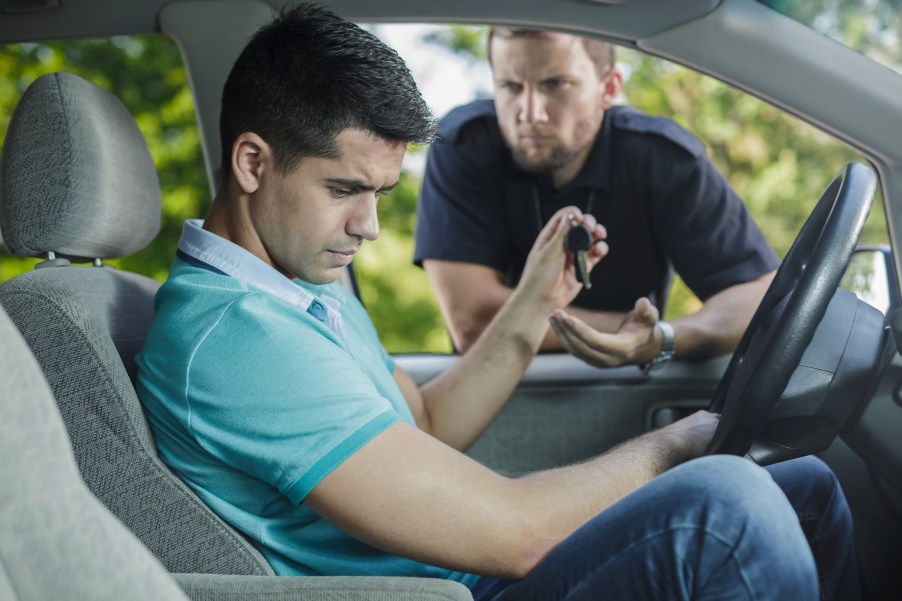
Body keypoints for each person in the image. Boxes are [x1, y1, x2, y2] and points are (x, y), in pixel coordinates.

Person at [136, 5, 859, 600]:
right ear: (253, 163)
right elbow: (521, 536)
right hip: (443, 590)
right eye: (344, 190)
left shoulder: (293, 286)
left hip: (460, 572)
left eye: (381, 193)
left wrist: (529, 308)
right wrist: (681, 441)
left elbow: (422, 423)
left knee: (806, 487)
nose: (370, 226)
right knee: (727, 507)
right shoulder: (233, 335)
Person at [414, 28, 780, 370]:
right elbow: (474, 323)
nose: (530, 113)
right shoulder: (464, 145)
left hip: (628, 391)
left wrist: (661, 340)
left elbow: (758, 296)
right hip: (497, 388)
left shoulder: (661, 158)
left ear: (609, 87)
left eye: (556, 84)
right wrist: (626, 333)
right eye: (510, 86)